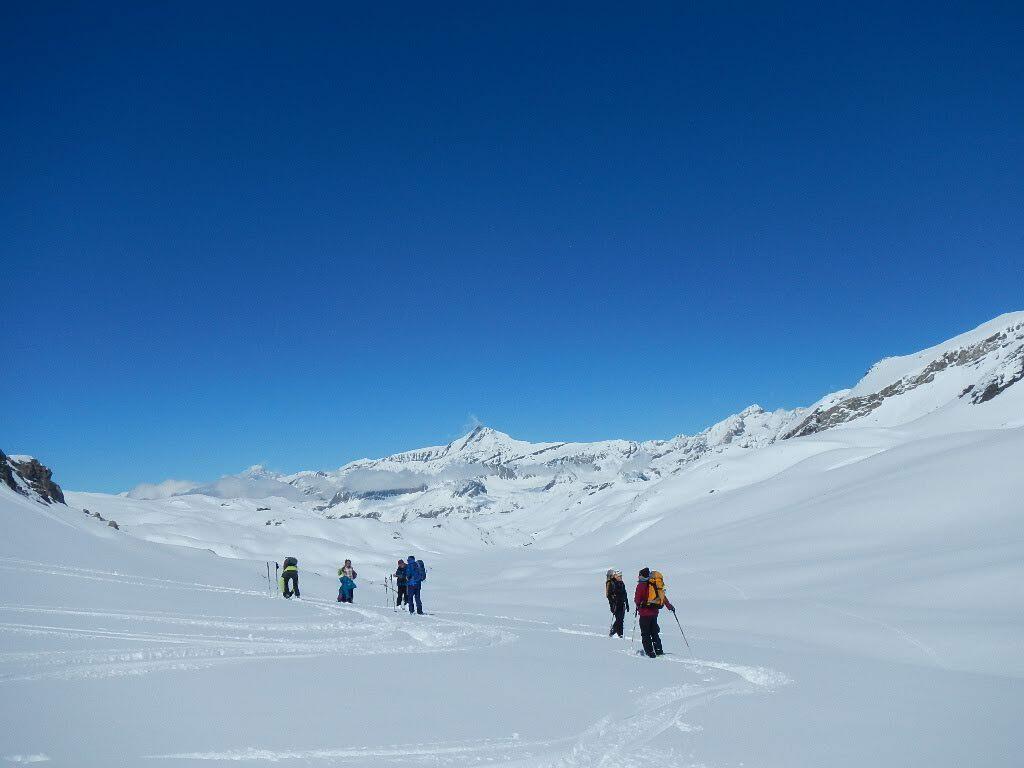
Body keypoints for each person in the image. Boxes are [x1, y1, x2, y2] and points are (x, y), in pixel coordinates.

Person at [634, 567, 674, 657]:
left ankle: (650, 652)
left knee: (645, 633)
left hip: (644, 614)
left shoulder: (641, 585)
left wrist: (639, 606)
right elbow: (662, 597)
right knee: (654, 632)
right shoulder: (654, 584)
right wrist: (669, 606)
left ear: (641, 576)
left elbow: (637, 599)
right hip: (654, 613)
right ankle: (658, 650)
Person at [605, 569, 629, 637]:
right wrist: (613, 604)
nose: (620, 577)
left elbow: (625, 594)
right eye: (619, 576)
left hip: (622, 603)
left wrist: (627, 603)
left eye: (621, 576)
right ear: (615, 576)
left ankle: (620, 634)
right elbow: (609, 595)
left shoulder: (621, 583)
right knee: (619, 619)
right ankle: (613, 631)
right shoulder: (611, 583)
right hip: (615, 604)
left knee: (621, 619)